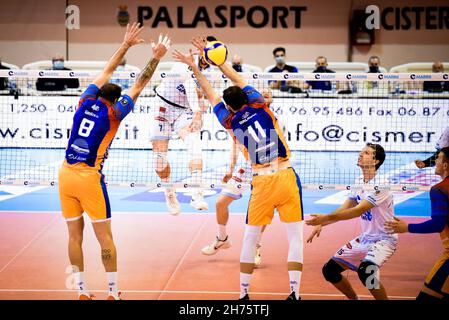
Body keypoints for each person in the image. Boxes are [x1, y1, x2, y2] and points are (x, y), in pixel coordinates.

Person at [174, 37, 305, 301]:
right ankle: (295, 293)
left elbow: (210, 92)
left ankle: (244, 294)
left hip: (262, 182)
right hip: (287, 175)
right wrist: (220, 62)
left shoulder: (229, 120)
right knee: (295, 238)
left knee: (249, 239)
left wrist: (195, 66)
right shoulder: (260, 105)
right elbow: (237, 77)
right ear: (246, 98)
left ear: (229, 106)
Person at [58, 23, 171, 300]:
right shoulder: (115, 113)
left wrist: (125, 45)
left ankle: (82, 291)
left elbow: (107, 71)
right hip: (88, 178)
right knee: (104, 237)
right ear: (116, 99)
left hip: (65, 175)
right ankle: (112, 292)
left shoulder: (84, 101)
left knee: (74, 236)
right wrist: (156, 56)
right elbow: (140, 83)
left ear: (98, 94)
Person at [307, 143, 397, 300]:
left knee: (366, 271)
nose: (361, 154)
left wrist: (326, 218)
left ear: (376, 161)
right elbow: (346, 207)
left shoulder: (381, 184)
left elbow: (357, 211)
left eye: (367, 153)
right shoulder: (359, 181)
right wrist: (323, 223)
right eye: (361, 151)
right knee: (329, 271)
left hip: (384, 239)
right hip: (365, 238)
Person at [200, 88, 276, 268]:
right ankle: (222, 238)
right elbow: (236, 146)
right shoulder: (243, 119)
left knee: (257, 214)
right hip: (245, 169)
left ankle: (256, 247)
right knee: (220, 203)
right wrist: (230, 169)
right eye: (262, 93)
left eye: (268, 94)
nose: (264, 96)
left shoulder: (271, 118)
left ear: (270, 99)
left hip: (267, 169)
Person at [150, 42, 214, 215]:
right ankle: (169, 192)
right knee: (159, 158)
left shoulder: (209, 72)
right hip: (163, 106)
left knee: (195, 147)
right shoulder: (181, 63)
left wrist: (200, 109)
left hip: (184, 111)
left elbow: (203, 95)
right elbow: (189, 85)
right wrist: (197, 111)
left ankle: (197, 194)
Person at [385, 147, 449, 301]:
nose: (435, 162)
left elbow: (438, 223)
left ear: (446, 165)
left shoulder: (439, 189)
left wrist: (407, 227)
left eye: (438, 158)